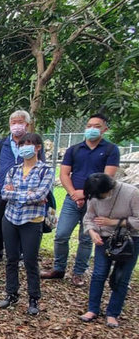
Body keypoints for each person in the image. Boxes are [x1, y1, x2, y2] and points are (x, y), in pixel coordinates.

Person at [42, 113, 120, 286]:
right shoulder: (74, 149)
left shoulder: (110, 150)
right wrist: (73, 193)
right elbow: (63, 174)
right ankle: (59, 268)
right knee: (61, 234)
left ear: (105, 129)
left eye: (97, 126)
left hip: (96, 201)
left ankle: (79, 273)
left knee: (86, 238)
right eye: (89, 125)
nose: (92, 129)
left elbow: (108, 176)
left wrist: (84, 194)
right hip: (72, 199)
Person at [0, 133, 54, 316]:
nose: (25, 148)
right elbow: (4, 193)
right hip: (10, 218)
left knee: (30, 260)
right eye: (22, 144)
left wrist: (18, 194)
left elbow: (40, 195)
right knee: (11, 258)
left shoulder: (46, 170)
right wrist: (28, 195)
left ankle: (33, 298)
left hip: (32, 221)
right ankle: (11, 293)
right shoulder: (13, 170)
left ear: (38, 147)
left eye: (29, 144)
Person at [0, 110, 45, 262]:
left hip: (25, 191)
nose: (16, 126)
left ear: (27, 124)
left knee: (23, 221)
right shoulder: (1, 144)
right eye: (13, 123)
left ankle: (22, 252)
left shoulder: (33, 145)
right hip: (1, 189)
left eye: (20, 122)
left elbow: (41, 165)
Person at [80, 173, 139, 328]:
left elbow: (138, 220)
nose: (98, 198)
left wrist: (114, 222)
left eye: (101, 195)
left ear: (109, 188)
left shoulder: (131, 192)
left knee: (121, 276)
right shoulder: (94, 195)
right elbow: (89, 218)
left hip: (129, 239)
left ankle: (113, 313)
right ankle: (92, 309)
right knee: (99, 273)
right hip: (103, 237)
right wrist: (92, 232)